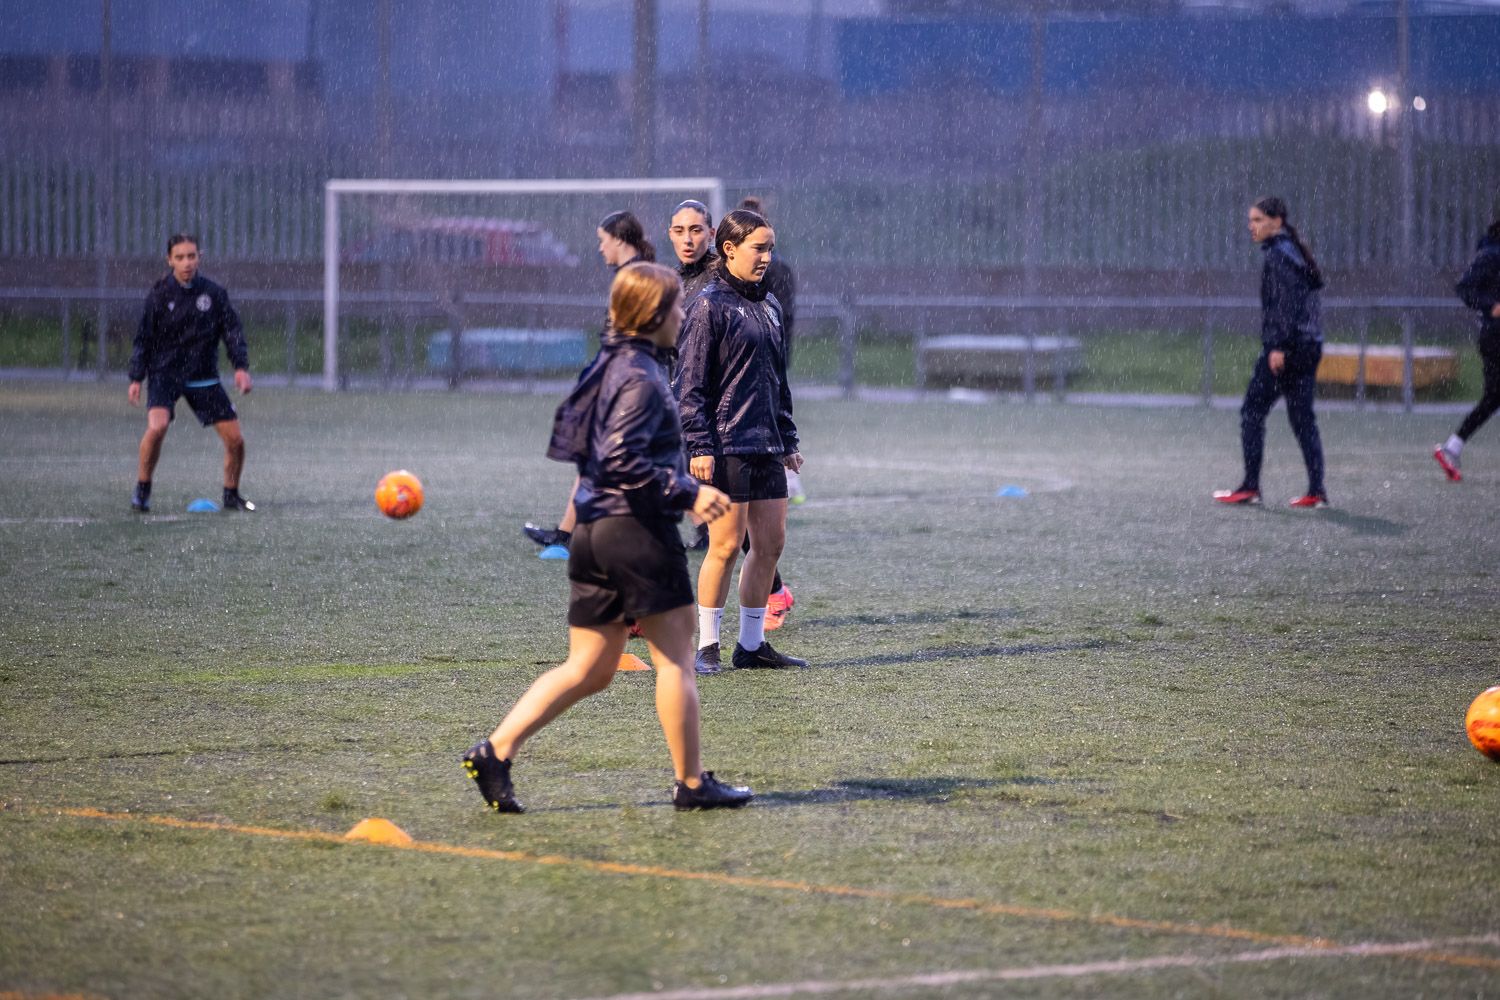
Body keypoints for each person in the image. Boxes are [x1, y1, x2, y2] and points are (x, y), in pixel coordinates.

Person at [464, 262, 752, 812]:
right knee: (676, 660)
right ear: (652, 314)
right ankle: (692, 785)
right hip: (635, 533)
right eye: (675, 305)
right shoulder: (641, 378)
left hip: (593, 533)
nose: (684, 314)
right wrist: (687, 493)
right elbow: (624, 460)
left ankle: (495, 751)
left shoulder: (607, 364)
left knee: (590, 669)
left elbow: (591, 452)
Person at [675, 209, 807, 674]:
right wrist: (699, 445)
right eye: (759, 247)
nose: (767, 256)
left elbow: (778, 379)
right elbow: (689, 383)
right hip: (725, 445)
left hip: (767, 445)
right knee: (725, 546)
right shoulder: (708, 304)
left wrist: (787, 437)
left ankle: (750, 646)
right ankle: (706, 647)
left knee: (769, 546)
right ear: (729, 249)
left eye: (770, 248)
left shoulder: (769, 304)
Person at [524, 211, 658, 550]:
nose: (600, 248)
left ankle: (585, 535)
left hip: (624, 381)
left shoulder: (636, 276)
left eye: (603, 240)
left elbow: (635, 336)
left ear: (618, 239)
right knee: (597, 455)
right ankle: (568, 534)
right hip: (622, 378)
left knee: (615, 458)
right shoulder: (632, 273)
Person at [1214, 197, 1328, 509]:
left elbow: (1284, 306)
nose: (1251, 226)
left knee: (1252, 411)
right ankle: (1317, 491)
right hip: (1308, 345)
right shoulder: (1293, 251)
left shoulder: (1279, 255)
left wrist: (1278, 346)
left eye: (1258, 220)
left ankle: (1250, 487)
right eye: (1250, 220)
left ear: (1277, 221)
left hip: (1289, 349)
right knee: (1302, 418)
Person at [127, 234, 254, 513]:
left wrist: (241, 368)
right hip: (165, 374)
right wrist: (136, 377)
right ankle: (142, 490)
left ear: (199, 257)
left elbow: (232, 332)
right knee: (157, 427)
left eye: (192, 256)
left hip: (203, 375)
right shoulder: (160, 294)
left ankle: (231, 495)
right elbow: (143, 338)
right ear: (170, 260)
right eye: (180, 257)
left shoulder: (213, 293)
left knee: (236, 440)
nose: (187, 262)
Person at [1433, 213, 1500, 482]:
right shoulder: (1492, 255)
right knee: (1494, 397)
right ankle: (1452, 446)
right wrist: (1492, 305)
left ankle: (1453, 446)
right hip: (1495, 336)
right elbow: (1465, 288)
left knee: (1494, 398)